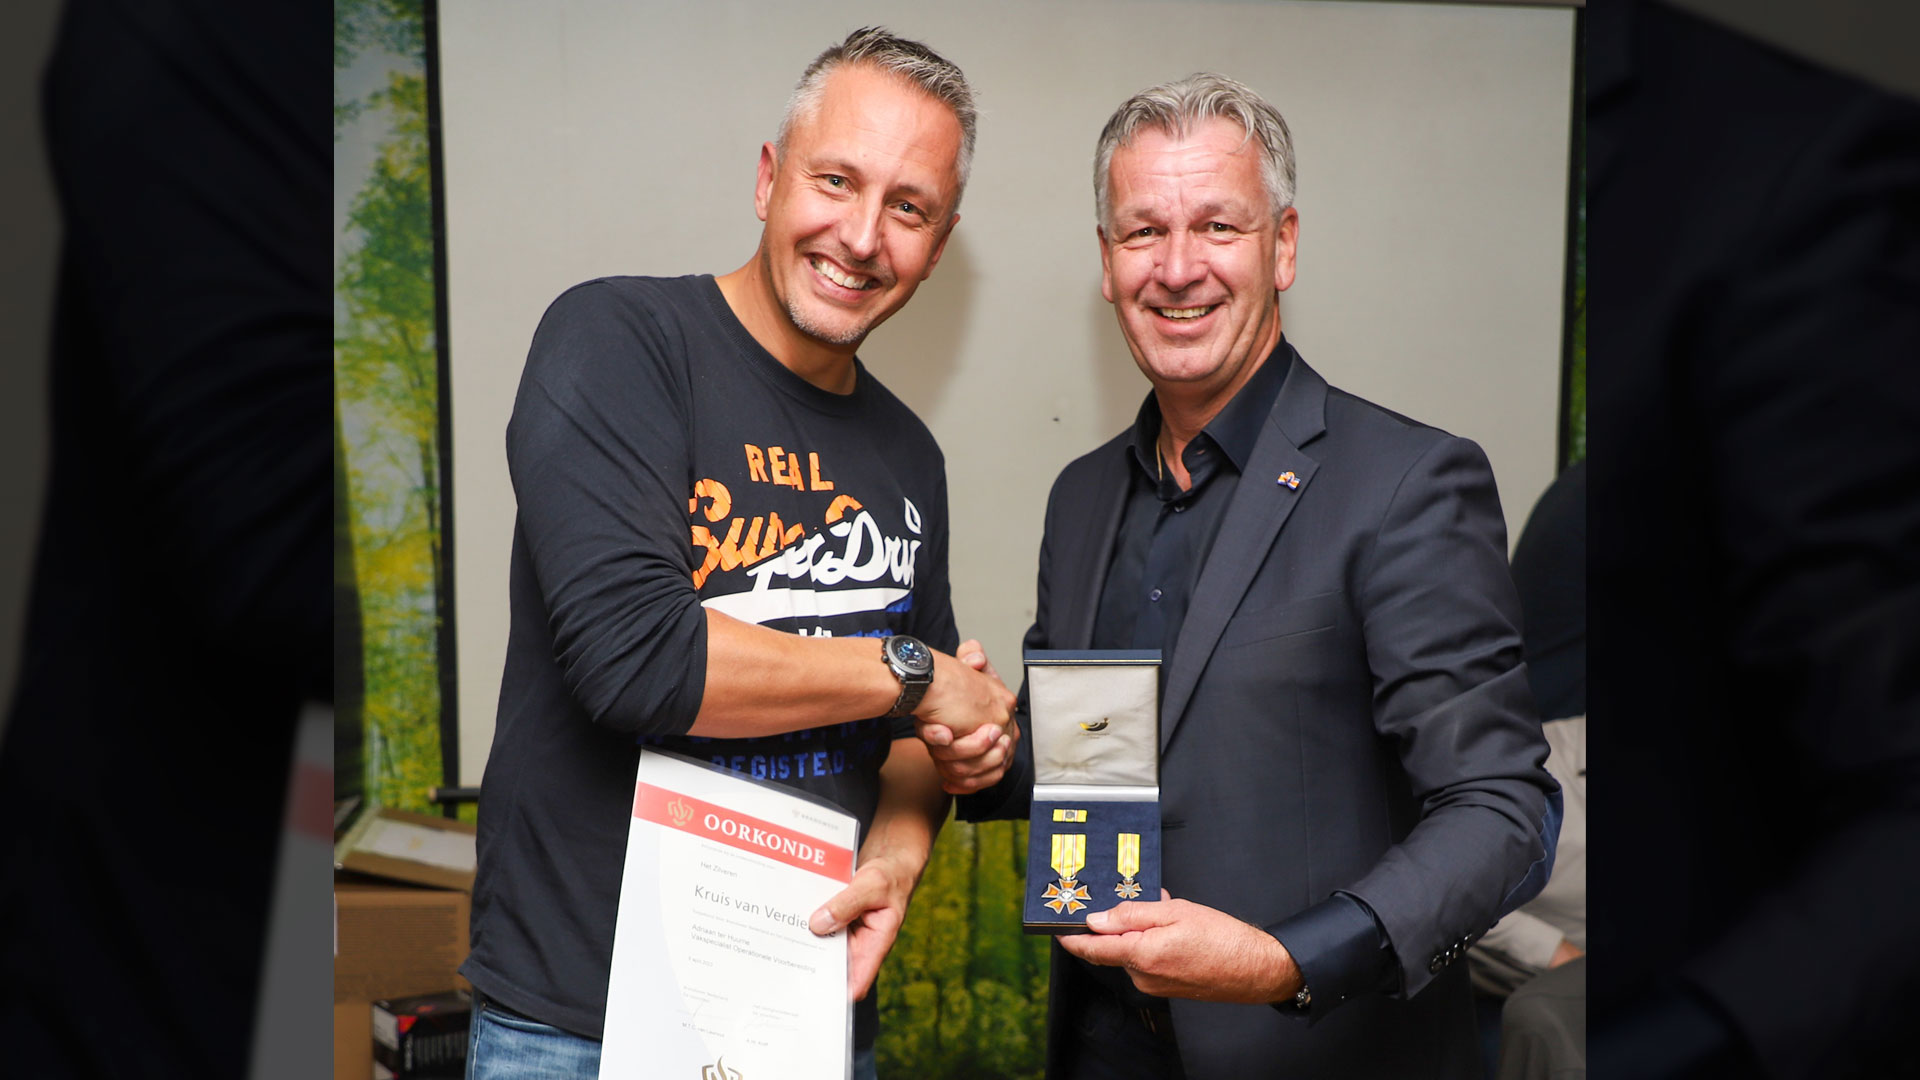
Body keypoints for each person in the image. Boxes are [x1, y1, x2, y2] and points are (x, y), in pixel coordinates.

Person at [949, 73, 1558, 1078]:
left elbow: (1502, 812)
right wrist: (990, 753)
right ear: (1107, 261)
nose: (1177, 267)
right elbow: (1096, 759)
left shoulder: (1405, 484)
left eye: (1218, 227)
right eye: (1144, 232)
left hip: (1316, 1049)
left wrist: (1284, 962)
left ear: (1283, 246)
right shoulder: (1083, 497)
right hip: (1102, 1047)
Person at [459, 28, 1019, 1079]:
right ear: (769, 179)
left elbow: (912, 739)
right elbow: (639, 661)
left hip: (801, 1016)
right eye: (836, 180)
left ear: (939, 246)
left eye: (908, 208)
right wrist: (915, 674)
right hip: (578, 1029)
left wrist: (898, 856)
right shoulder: (618, 339)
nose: (862, 236)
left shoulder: (909, 454)